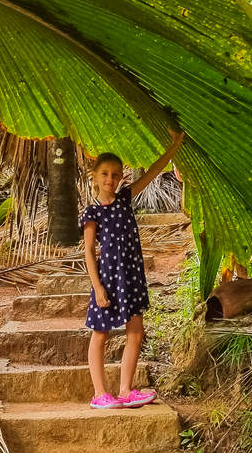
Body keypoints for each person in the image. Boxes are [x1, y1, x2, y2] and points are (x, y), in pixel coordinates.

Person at [79, 132, 184, 410]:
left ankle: (125, 390)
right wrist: (98, 287)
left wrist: (173, 147)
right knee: (100, 334)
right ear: (94, 175)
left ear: (121, 177)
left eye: (115, 174)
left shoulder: (125, 198)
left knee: (136, 331)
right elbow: (89, 252)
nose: (110, 179)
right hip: (108, 278)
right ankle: (100, 394)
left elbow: (153, 172)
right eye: (104, 173)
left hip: (132, 276)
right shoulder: (92, 212)